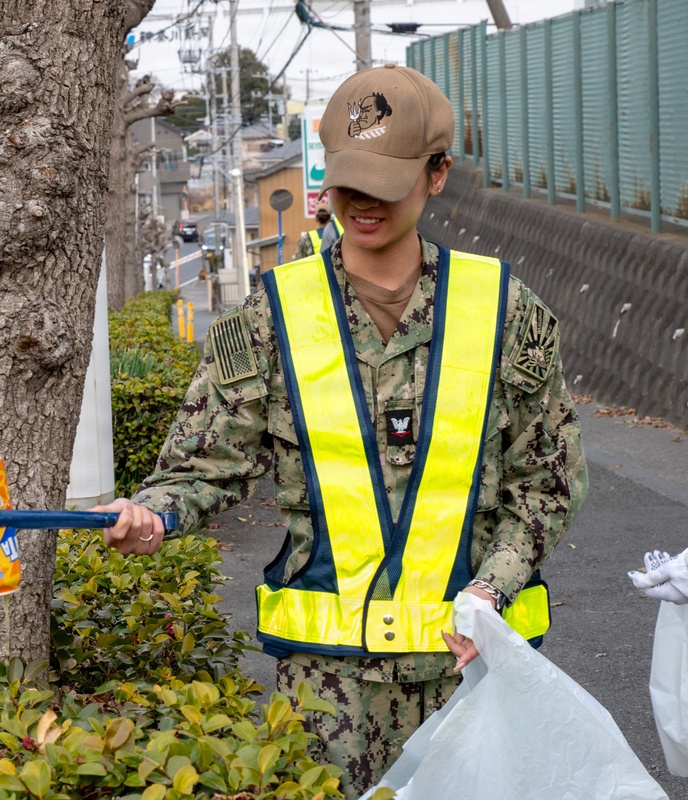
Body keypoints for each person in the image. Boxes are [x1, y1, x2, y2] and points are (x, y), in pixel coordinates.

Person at [93, 64, 588, 797]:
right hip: (326, 702)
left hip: (475, 675)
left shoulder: (505, 312)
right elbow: (204, 468)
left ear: (438, 174)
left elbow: (548, 485)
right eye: (348, 181)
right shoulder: (269, 318)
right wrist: (155, 513)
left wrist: (492, 588)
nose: (362, 204)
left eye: (386, 183)